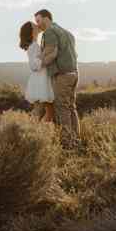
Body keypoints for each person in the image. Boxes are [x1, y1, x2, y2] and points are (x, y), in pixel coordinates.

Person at [34, 9, 80, 147]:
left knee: (62, 109)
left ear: (46, 18)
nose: (38, 25)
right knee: (71, 107)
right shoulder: (68, 33)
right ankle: (76, 140)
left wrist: (37, 62)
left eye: (39, 21)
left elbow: (51, 52)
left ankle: (67, 144)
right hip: (74, 73)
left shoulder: (49, 32)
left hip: (62, 75)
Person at [19, 21, 55, 122]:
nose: (37, 25)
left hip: (42, 79)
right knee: (38, 110)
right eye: (34, 25)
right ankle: (29, 132)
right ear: (32, 31)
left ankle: (41, 133)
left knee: (50, 112)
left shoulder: (34, 44)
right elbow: (33, 66)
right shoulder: (34, 46)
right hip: (40, 81)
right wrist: (47, 56)